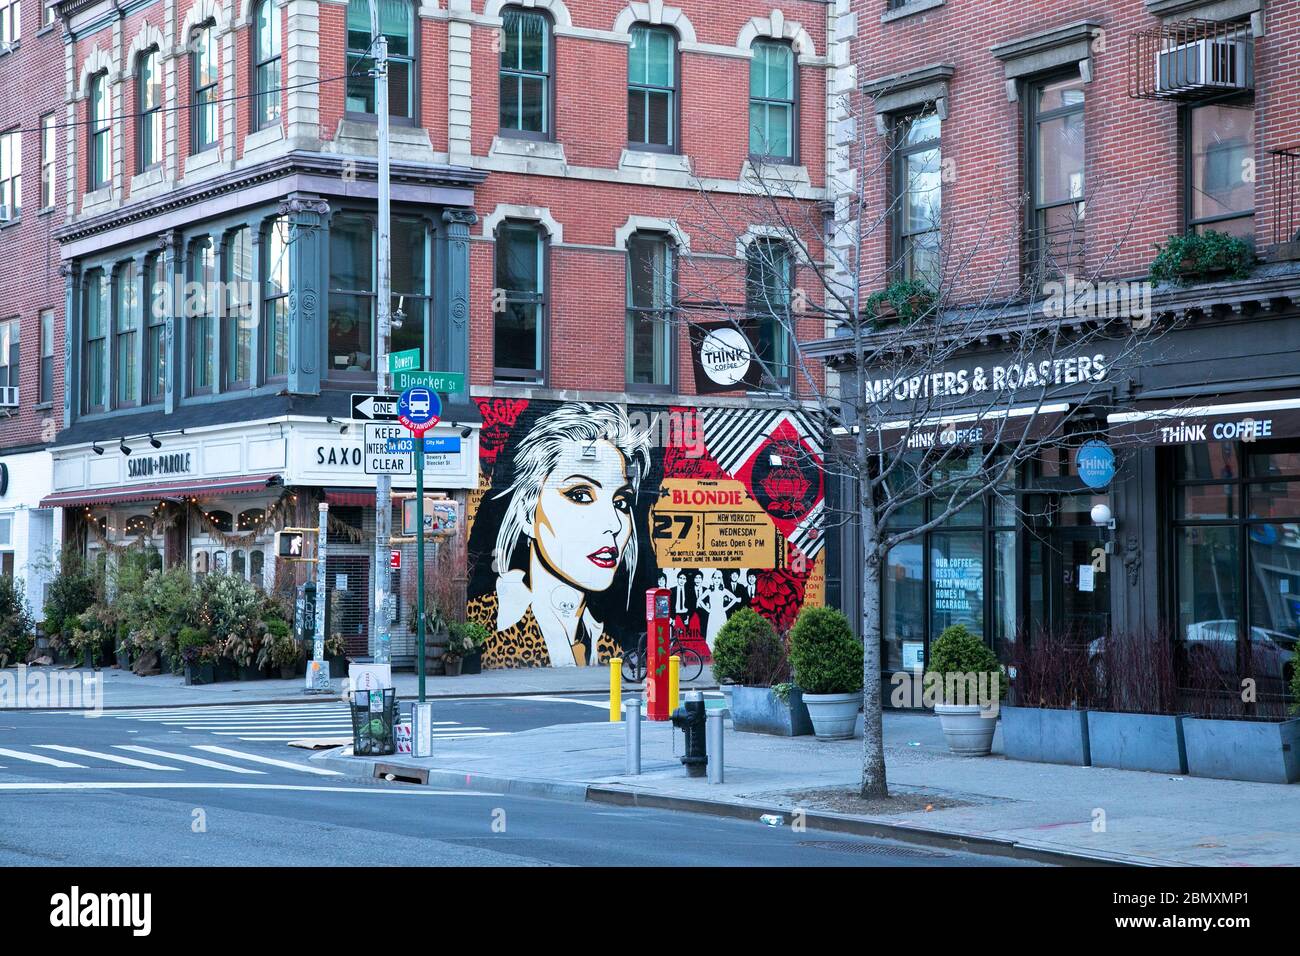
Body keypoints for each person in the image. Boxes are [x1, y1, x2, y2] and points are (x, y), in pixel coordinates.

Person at [467, 402, 652, 667]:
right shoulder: (489, 624)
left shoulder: (606, 644)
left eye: (620, 502)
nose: (614, 523)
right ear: (528, 513)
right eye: (580, 495)